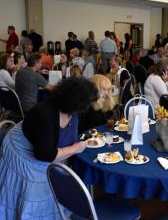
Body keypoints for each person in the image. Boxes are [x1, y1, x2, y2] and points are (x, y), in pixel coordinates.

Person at [0, 77, 98, 219]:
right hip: (22, 151)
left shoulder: (73, 112)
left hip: (43, 146)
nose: (88, 107)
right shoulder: (45, 113)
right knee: (39, 190)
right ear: (76, 103)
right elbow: (45, 155)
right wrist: (76, 148)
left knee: (56, 179)